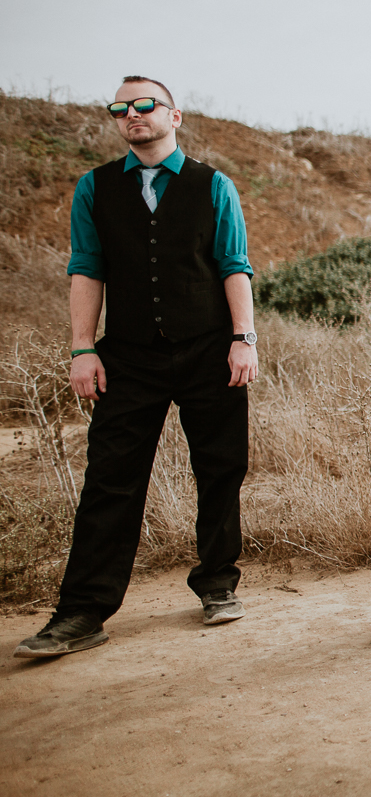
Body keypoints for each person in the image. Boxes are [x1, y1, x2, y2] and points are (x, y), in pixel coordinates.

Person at [14, 76, 259, 659]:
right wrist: (82, 348)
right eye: (120, 109)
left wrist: (243, 338)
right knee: (110, 479)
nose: (132, 115)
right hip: (128, 355)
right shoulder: (94, 188)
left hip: (209, 349)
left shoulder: (212, 185)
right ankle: (82, 611)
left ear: (174, 115)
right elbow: (86, 269)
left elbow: (233, 265)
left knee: (221, 468)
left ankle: (218, 582)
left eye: (144, 105)